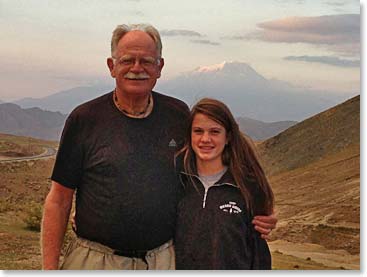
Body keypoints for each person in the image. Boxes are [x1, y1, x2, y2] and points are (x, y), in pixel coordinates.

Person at [41, 23, 277, 270]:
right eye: (127, 60)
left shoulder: (177, 115)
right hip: (95, 260)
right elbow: (58, 199)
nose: (136, 68)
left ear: (160, 67)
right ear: (112, 66)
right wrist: (49, 268)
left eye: (146, 61)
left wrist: (259, 207)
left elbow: (213, 163)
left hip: (161, 260)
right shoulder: (84, 119)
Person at [174, 98, 274, 269]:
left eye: (214, 132)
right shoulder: (177, 180)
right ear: (189, 135)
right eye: (198, 131)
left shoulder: (247, 186)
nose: (205, 139)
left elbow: (259, 251)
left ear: (227, 137)